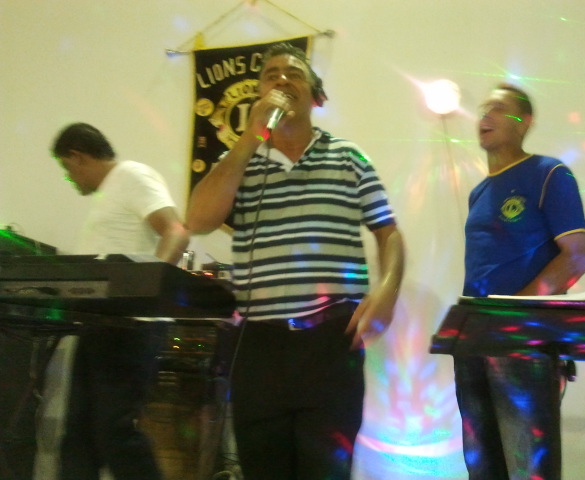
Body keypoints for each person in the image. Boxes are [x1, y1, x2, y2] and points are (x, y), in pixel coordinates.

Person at [186, 43, 405, 480]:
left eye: (294, 74)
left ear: (315, 95)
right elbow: (197, 219)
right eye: (271, 75)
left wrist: (387, 292)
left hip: (330, 341)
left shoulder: (349, 157)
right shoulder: (239, 161)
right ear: (258, 93)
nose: (282, 80)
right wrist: (249, 139)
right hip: (258, 347)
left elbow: (389, 233)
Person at [454, 84, 585, 479]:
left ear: (524, 122)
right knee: (483, 467)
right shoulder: (479, 192)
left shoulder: (548, 173)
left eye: (498, 108)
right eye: (483, 108)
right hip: (472, 340)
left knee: (528, 467)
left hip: (523, 341)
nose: (485, 115)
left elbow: (577, 256)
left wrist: (510, 314)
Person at [51, 122, 190, 480]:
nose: (69, 178)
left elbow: (175, 231)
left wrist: (147, 294)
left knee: (115, 429)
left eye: (66, 168)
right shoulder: (111, 191)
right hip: (100, 324)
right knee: (79, 434)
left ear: (77, 157)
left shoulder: (132, 175)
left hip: (128, 326)